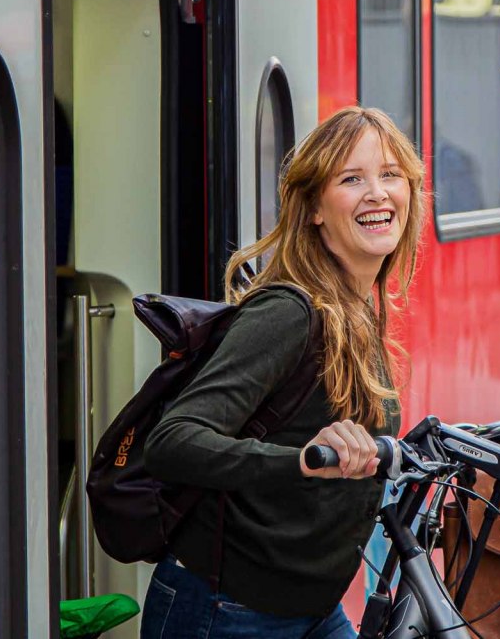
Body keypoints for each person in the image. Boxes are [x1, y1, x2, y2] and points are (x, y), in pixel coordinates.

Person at [140, 106, 426, 638]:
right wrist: (299, 462)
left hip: (311, 611)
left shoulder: (357, 308)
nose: (378, 193)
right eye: (352, 179)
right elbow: (173, 442)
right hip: (226, 612)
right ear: (315, 206)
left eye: (390, 175)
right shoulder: (289, 314)